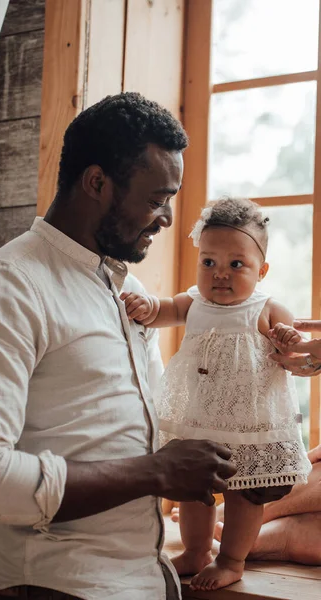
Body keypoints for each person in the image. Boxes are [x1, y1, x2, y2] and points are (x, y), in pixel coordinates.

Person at [0, 92, 244, 600]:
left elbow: (136, 432)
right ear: (97, 182)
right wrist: (156, 472)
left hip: (150, 581)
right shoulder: (7, 286)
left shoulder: (132, 295)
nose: (167, 218)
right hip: (54, 586)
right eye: (155, 199)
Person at [121, 197, 312, 592]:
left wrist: (290, 338)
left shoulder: (268, 308)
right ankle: (195, 551)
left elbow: (294, 352)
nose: (220, 274)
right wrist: (145, 306)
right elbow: (163, 310)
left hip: (252, 424)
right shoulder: (194, 302)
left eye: (236, 264)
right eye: (209, 262)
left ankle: (231, 560)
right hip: (200, 420)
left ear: (262, 270)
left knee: (246, 496)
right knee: (194, 491)